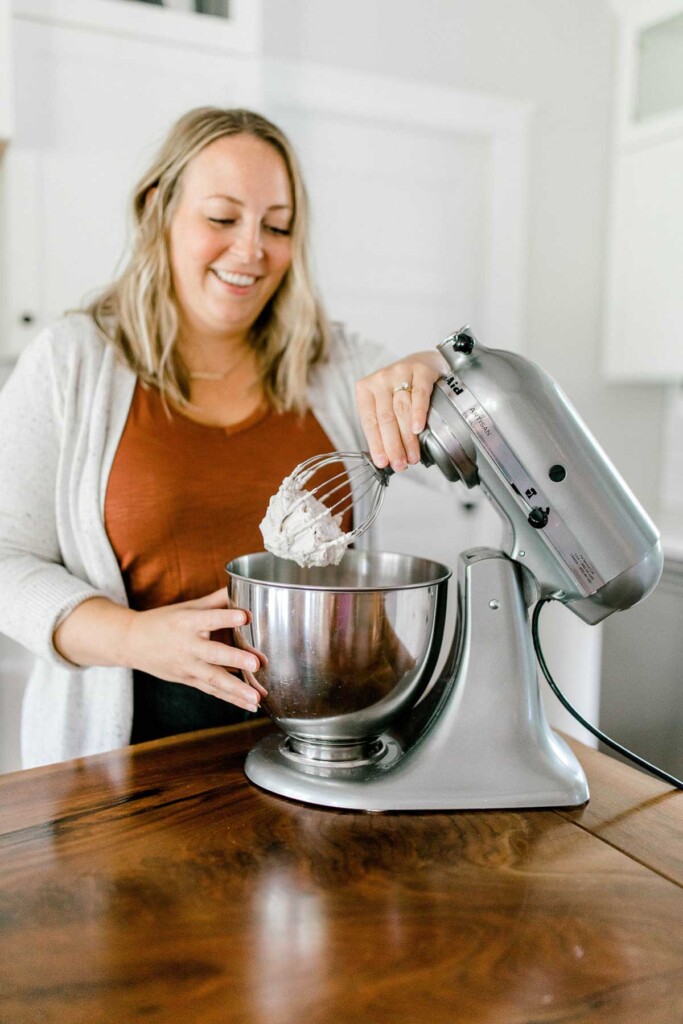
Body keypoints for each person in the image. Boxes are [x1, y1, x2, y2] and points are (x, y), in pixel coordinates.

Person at [0, 107, 447, 769]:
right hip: (131, 766)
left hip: (328, 757)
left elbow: (478, 421)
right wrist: (132, 637)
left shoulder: (334, 366)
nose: (251, 251)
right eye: (221, 218)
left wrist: (442, 367)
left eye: (278, 226)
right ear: (159, 207)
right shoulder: (72, 362)